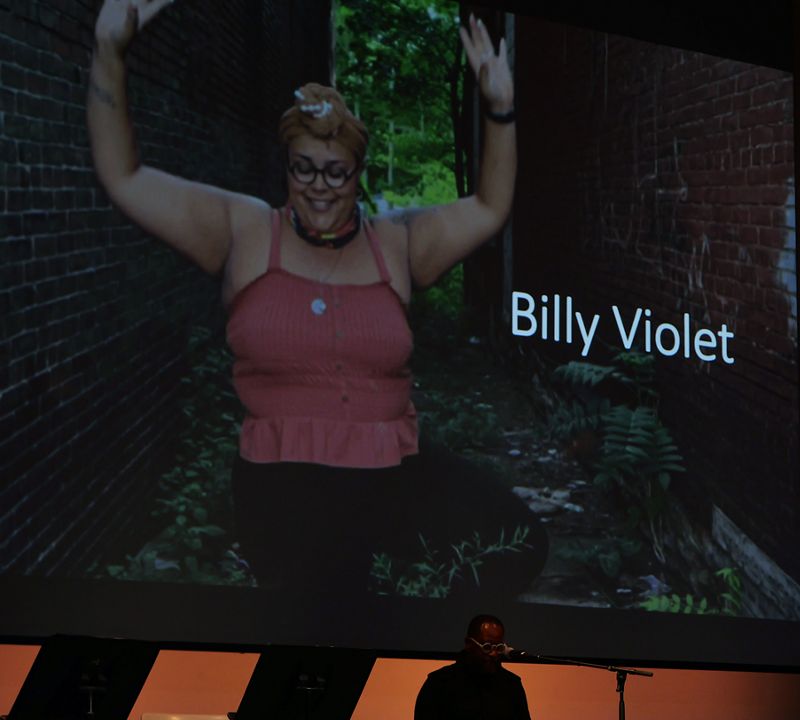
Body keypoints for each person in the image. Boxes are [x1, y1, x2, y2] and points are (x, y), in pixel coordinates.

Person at [87, 0, 543, 596]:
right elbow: (125, 177)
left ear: (358, 174)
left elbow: (488, 207)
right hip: (284, 486)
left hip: (391, 471)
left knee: (518, 539)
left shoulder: (395, 243)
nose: (320, 188)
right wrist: (109, 54)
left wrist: (500, 108)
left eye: (337, 172)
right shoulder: (246, 231)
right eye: (304, 169)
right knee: (331, 620)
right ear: (286, 168)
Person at [416, 613, 532, 720]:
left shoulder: (511, 685)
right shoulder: (439, 683)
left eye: (499, 648)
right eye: (487, 647)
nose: (494, 654)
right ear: (468, 644)